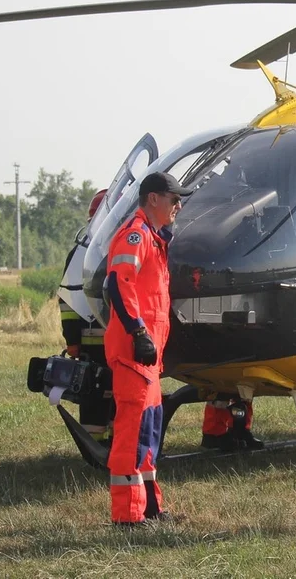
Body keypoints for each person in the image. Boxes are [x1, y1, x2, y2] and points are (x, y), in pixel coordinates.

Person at [103, 171, 192, 527]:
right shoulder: (137, 235)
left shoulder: (154, 239)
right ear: (153, 199)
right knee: (133, 434)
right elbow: (117, 282)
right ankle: (127, 516)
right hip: (133, 354)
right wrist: (138, 332)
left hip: (148, 359)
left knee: (150, 431)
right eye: (173, 199)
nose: (178, 206)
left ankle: (151, 508)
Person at [58, 189, 112, 442]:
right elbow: (68, 301)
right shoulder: (119, 246)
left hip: (98, 342)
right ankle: (100, 445)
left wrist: (73, 340)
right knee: (98, 393)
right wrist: (72, 341)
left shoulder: (81, 252)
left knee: (97, 394)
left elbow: (66, 303)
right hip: (111, 342)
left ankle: (104, 444)